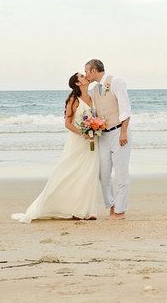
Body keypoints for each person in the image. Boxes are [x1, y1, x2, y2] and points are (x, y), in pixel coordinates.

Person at [10, 72, 104, 223]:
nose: (85, 76)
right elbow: (68, 123)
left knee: (89, 173)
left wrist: (96, 127)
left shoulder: (92, 98)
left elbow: (94, 117)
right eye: (81, 76)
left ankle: (88, 210)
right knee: (70, 172)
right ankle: (65, 207)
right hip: (78, 141)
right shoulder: (74, 100)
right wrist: (83, 133)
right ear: (78, 83)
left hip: (92, 141)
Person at [84, 59, 132, 218]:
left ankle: (120, 210)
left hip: (119, 132)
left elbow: (125, 109)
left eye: (86, 72)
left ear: (93, 70)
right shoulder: (93, 90)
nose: (86, 75)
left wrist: (123, 132)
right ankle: (111, 204)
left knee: (121, 173)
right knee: (103, 174)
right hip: (103, 135)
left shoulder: (116, 82)